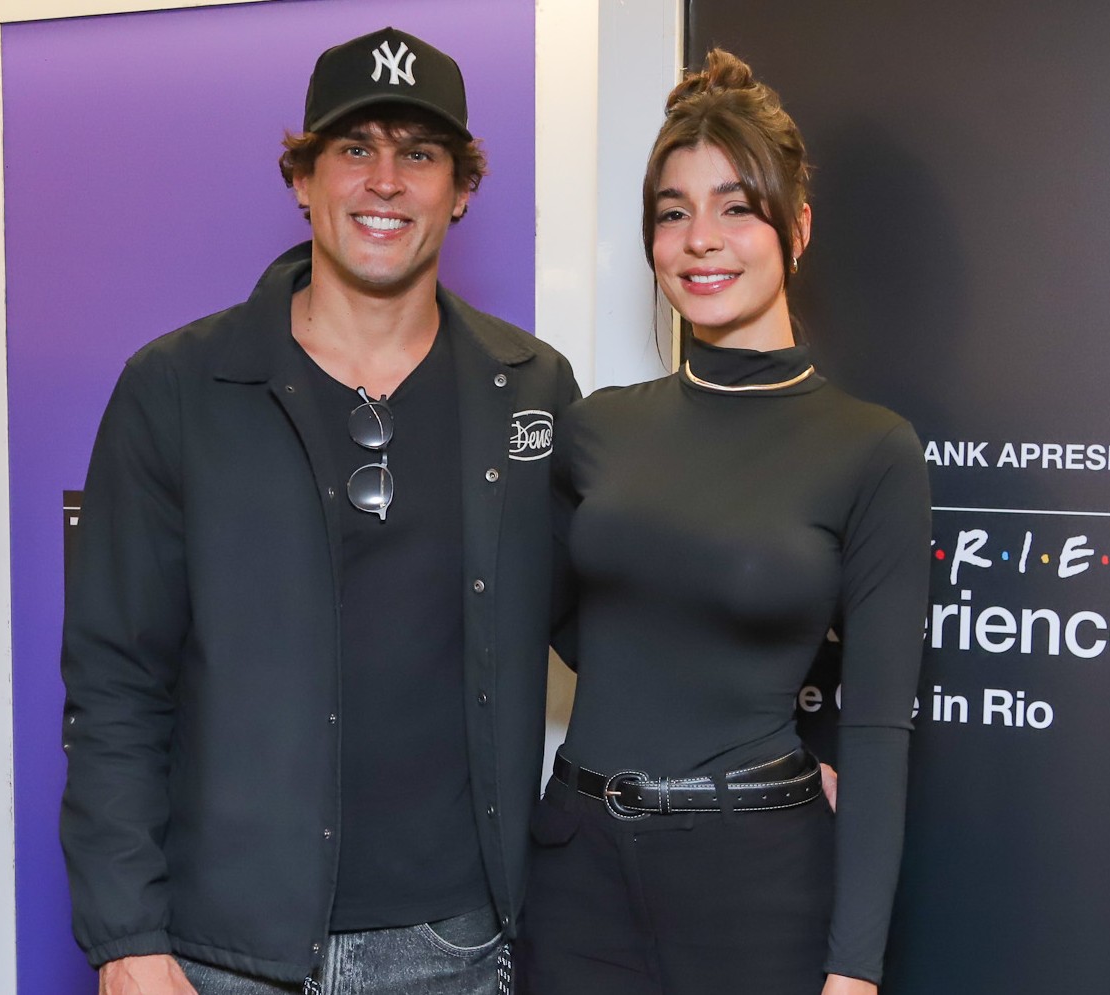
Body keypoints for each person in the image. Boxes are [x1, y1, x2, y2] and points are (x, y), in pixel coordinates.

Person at [60, 27, 577, 995]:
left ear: (461, 188)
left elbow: (620, 617)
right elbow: (116, 679)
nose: (384, 181)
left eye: (418, 154)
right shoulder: (176, 388)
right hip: (224, 953)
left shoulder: (531, 386)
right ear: (302, 178)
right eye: (353, 148)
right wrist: (126, 935)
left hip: (455, 945)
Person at [521, 49, 930, 995]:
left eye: (735, 207)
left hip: (758, 885)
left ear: (798, 227)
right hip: (577, 874)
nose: (700, 239)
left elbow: (876, 729)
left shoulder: (869, 448)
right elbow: (558, 613)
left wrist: (855, 969)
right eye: (672, 213)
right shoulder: (597, 426)